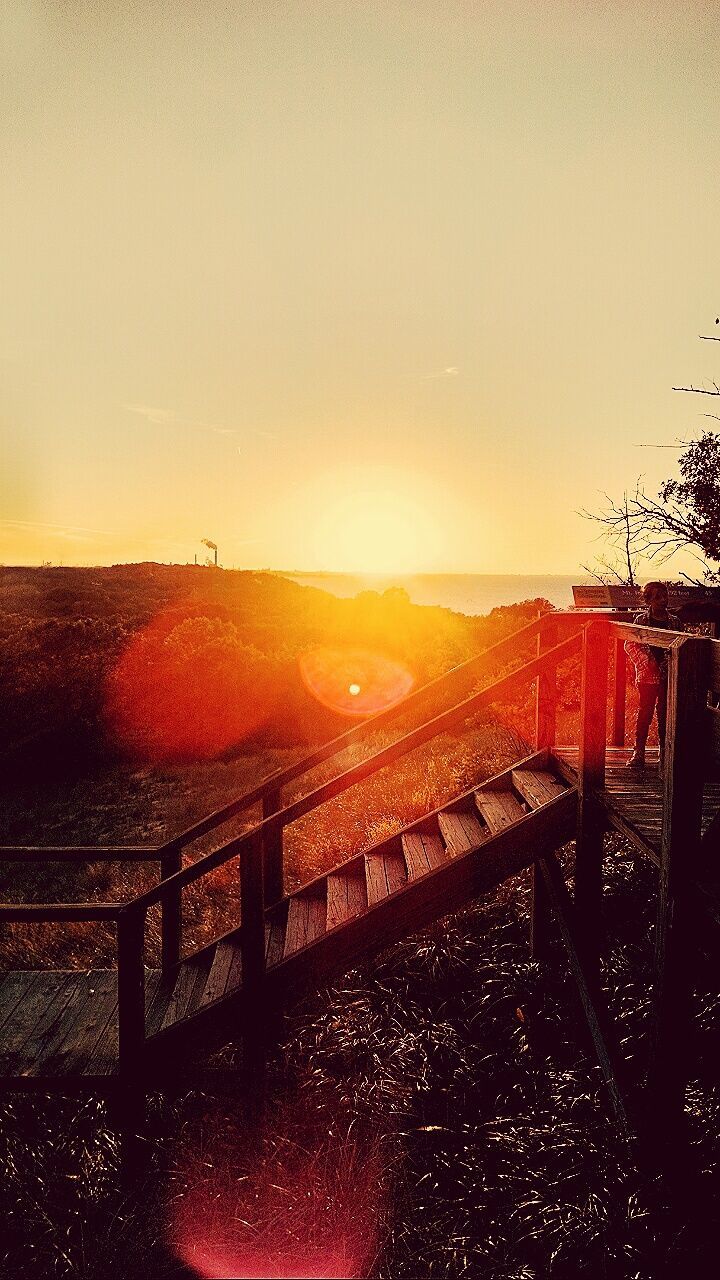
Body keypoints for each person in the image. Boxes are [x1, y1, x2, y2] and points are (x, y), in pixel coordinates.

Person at [624, 581, 682, 771]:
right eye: (657, 597)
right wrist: (646, 662)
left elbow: (681, 646)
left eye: (665, 596)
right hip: (647, 676)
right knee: (645, 713)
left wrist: (669, 663)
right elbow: (630, 644)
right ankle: (638, 752)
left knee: (665, 714)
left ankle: (664, 754)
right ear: (648, 600)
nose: (663, 600)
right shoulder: (641, 620)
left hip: (668, 676)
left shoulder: (674, 622)